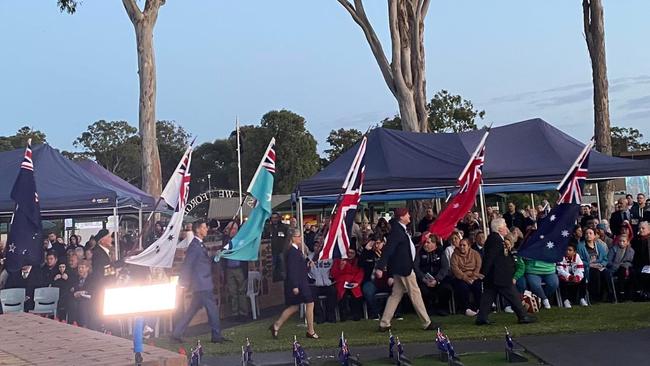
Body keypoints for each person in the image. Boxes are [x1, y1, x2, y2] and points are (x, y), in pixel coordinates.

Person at [374, 208, 437, 332]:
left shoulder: (399, 230)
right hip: (404, 268)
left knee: (395, 295)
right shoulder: (397, 231)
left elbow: (407, 245)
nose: (409, 216)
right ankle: (426, 322)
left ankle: (384, 323)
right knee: (415, 293)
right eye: (407, 214)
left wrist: (422, 239)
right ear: (402, 217)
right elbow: (388, 249)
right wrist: (381, 267)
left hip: (401, 268)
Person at [172, 220, 228, 343]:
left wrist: (215, 257)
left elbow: (203, 261)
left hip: (202, 283)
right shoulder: (194, 246)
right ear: (198, 230)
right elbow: (188, 265)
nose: (206, 229)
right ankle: (216, 335)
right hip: (202, 284)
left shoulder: (199, 245)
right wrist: (183, 283)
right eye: (204, 227)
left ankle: (177, 333)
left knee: (192, 310)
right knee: (212, 310)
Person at [476, 218, 536, 325]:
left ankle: (482, 317)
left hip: (495, 275)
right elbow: (490, 257)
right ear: (499, 228)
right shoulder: (495, 240)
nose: (506, 228)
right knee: (513, 296)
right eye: (504, 226)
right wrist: (483, 272)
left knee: (488, 297)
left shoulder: (496, 238)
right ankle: (523, 316)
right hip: (499, 275)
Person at [269, 229, 318, 339]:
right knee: (309, 303)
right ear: (292, 238)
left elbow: (299, 268)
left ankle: (277, 325)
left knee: (295, 307)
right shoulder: (292, 252)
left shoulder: (296, 251)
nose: (300, 238)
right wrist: (295, 286)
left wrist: (307, 265)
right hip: (298, 283)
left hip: (299, 282)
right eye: (298, 236)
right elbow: (292, 270)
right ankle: (310, 331)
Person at [414, 233, 452, 315]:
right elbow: (416, 268)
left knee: (446, 288)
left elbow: (445, 267)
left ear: (434, 244)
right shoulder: (420, 253)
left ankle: (442, 308)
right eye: (424, 242)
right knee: (422, 290)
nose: (425, 244)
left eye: (428, 242)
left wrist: (437, 279)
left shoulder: (440, 252)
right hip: (424, 280)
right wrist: (423, 278)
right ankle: (429, 308)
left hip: (438, 279)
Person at [359, 234, 392, 320]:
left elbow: (393, 266)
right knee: (367, 290)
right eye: (374, 243)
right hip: (372, 281)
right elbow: (360, 264)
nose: (376, 246)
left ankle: (395, 313)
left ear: (383, 242)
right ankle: (375, 313)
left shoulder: (387, 252)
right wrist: (366, 250)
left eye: (378, 243)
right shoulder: (368, 253)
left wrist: (391, 277)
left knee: (396, 288)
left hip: (387, 279)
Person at [222, 221, 249, 319]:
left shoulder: (241, 240)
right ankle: (235, 313)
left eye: (234, 229)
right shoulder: (226, 240)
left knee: (241, 292)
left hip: (239, 268)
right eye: (231, 229)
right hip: (229, 269)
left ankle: (243, 313)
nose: (232, 231)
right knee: (233, 293)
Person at [450, 239, 483, 316]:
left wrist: (473, 276)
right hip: (460, 277)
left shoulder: (475, 254)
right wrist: (466, 278)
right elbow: (455, 269)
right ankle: (466, 309)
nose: (462, 247)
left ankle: (479, 307)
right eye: (460, 245)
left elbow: (478, 266)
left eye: (464, 245)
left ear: (469, 246)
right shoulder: (454, 255)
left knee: (477, 286)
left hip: (474, 276)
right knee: (463, 287)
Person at [331, 248, 364, 321]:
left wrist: (356, 282)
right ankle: (344, 315)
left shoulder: (357, 261)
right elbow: (333, 274)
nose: (349, 255)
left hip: (353, 282)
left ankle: (356, 314)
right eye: (348, 252)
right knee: (342, 295)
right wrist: (341, 267)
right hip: (341, 283)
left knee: (356, 294)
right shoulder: (339, 261)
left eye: (352, 253)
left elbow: (360, 273)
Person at [308, 239, 337, 324]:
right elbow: (305, 272)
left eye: (320, 246)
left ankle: (330, 315)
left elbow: (334, 270)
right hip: (315, 284)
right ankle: (320, 316)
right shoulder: (309, 258)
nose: (318, 248)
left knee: (333, 292)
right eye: (316, 246)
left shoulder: (329, 257)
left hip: (327, 283)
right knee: (312, 295)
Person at [577, 228, 609, 302]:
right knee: (595, 272)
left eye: (590, 233)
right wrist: (589, 265)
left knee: (607, 273)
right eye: (586, 233)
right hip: (587, 267)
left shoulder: (600, 246)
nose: (588, 235)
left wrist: (601, 265)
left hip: (599, 265)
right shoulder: (580, 246)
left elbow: (605, 258)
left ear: (594, 235)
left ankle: (609, 295)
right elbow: (580, 260)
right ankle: (594, 297)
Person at [556, 243, 588, 308]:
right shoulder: (561, 257)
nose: (567, 251)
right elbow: (560, 270)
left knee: (583, 279)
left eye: (570, 250)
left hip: (574, 275)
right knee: (562, 280)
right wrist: (570, 277)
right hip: (564, 275)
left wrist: (577, 277)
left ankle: (582, 298)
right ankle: (565, 300)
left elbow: (580, 269)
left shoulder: (577, 256)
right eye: (566, 250)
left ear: (574, 252)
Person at [606, 234, 635, 302]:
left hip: (627, 268)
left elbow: (631, 262)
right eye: (620, 241)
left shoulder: (631, 250)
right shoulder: (613, 249)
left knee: (632, 272)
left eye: (624, 241)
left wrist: (626, 266)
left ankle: (631, 295)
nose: (621, 243)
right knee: (622, 270)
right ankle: (621, 293)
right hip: (615, 269)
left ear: (627, 242)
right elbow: (608, 262)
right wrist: (618, 265)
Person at [263, 212, 290, 282]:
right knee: (272, 270)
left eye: (276, 218)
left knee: (283, 269)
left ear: (279, 218)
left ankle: (284, 284)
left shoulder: (284, 227)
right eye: (273, 218)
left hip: (282, 252)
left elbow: (288, 239)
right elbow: (264, 239)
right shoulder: (268, 228)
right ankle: (274, 286)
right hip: (271, 253)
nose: (274, 219)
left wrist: (285, 250)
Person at [68, 260, 95, 327]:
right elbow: (72, 289)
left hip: (89, 299)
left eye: (82, 268)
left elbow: (93, 289)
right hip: (77, 298)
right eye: (79, 268)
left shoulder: (91, 278)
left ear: (87, 268)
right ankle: (73, 322)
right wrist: (74, 293)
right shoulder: (75, 278)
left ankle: (84, 324)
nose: (80, 269)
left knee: (83, 304)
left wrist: (84, 292)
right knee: (71, 302)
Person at [632, 222, 650, 297]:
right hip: (639, 265)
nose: (641, 230)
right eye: (639, 228)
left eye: (643, 228)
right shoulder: (635, 241)